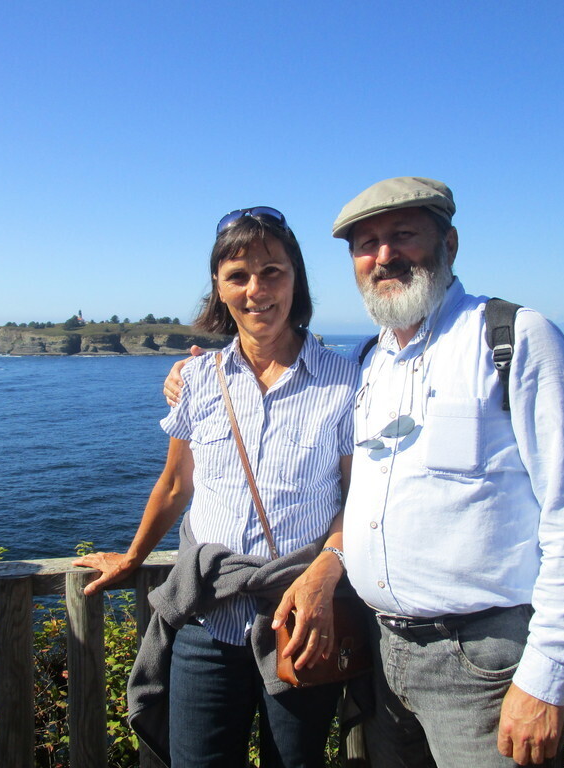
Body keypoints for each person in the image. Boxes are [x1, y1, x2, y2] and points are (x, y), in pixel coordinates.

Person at [165, 178, 564, 767]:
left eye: (403, 235)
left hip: (482, 663)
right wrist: (330, 567)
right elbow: (364, 502)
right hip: (381, 658)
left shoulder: (510, 340)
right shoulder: (367, 365)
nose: (384, 255)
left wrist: (548, 678)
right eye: (367, 243)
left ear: (448, 242)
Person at [74, 206, 358, 768]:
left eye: (273, 271)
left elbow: (358, 502)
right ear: (219, 289)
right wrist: (133, 558)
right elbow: (177, 483)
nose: (258, 290)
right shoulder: (199, 380)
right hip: (208, 619)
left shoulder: (346, 382)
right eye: (239, 276)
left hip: (299, 617)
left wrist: (324, 577)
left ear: (296, 278)